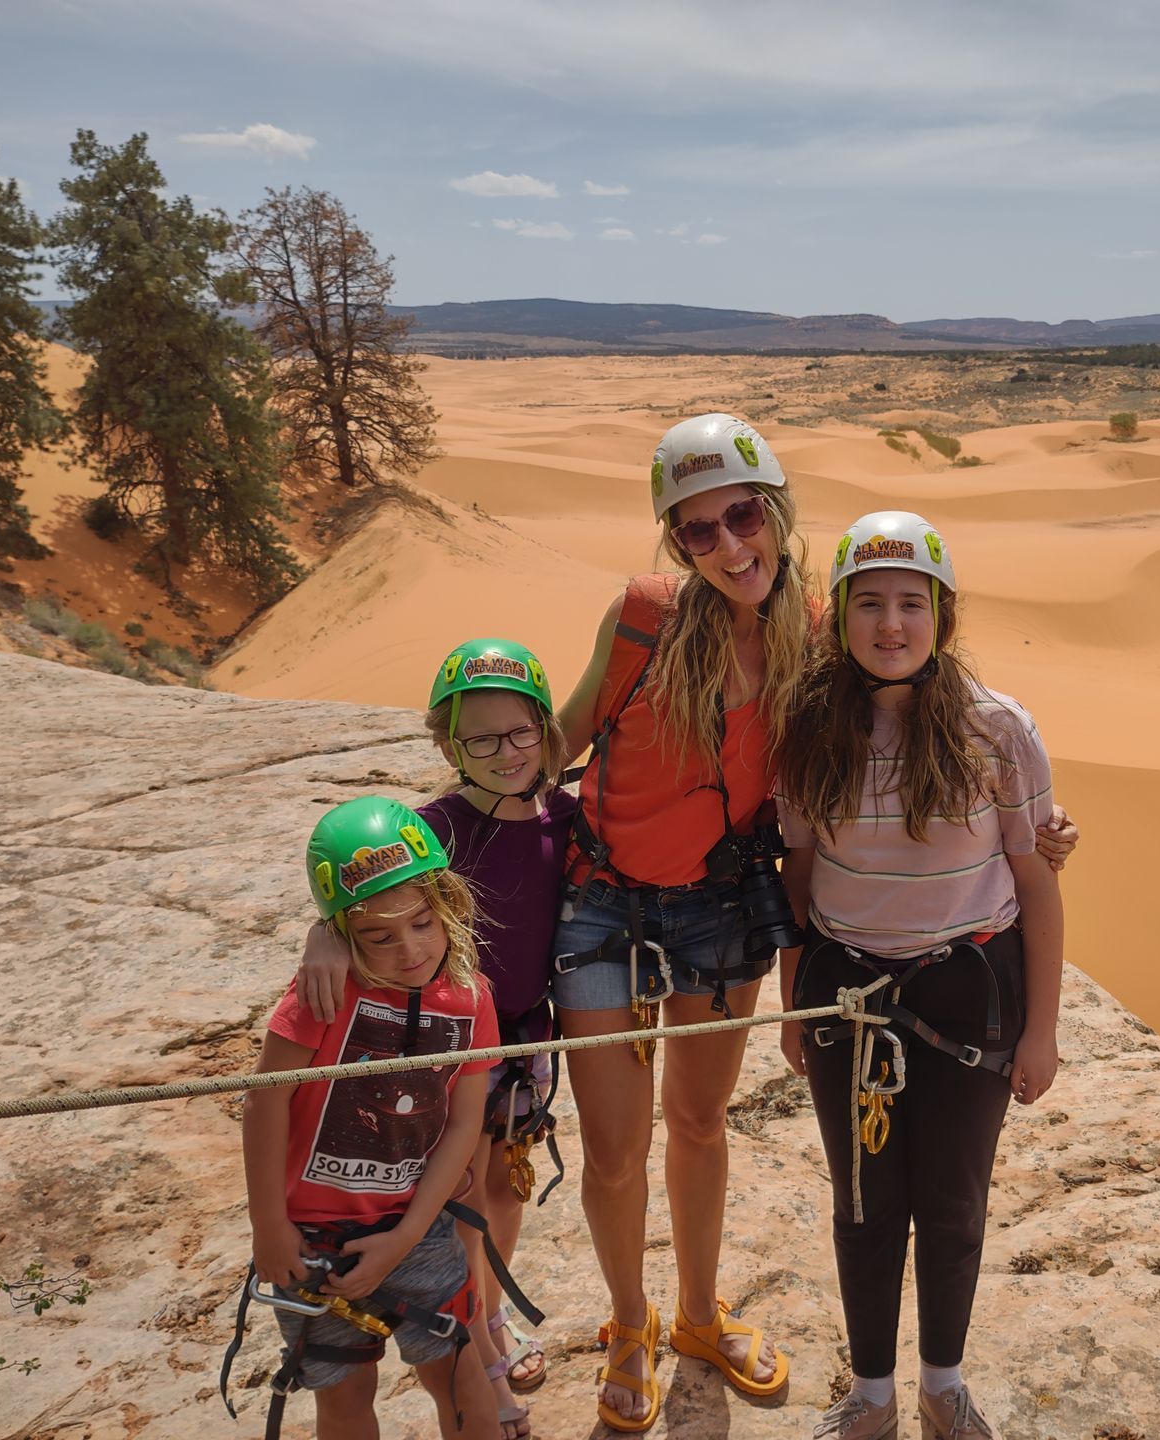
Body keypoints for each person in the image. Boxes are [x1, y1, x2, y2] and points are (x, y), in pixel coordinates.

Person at [553, 416, 1077, 1433]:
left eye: (743, 515)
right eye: (697, 531)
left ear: (778, 510)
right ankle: (631, 1324)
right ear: (675, 545)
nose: (729, 545)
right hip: (611, 899)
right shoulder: (647, 616)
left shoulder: (818, 628)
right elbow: (562, 745)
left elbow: (940, 775)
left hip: (720, 909)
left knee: (701, 1122)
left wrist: (1040, 829)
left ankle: (705, 1319)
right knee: (618, 1150)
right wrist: (442, 850)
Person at [775, 511, 1064, 1440]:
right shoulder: (807, 727)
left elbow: (1034, 881)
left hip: (967, 989)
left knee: (952, 1201)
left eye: (910, 603)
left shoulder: (997, 727)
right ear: (838, 618)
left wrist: (1041, 1028)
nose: (889, 624)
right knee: (862, 1204)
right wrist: (793, 1007)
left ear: (941, 614)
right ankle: (871, 1398)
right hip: (845, 993)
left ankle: (942, 1385)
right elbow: (797, 877)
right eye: (868, 603)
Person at [301, 640, 574, 1440]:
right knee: (460, 1195)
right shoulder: (430, 827)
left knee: (505, 1190)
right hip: (450, 1049)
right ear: (447, 747)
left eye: (520, 733)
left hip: (526, 1039)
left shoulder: (566, 816)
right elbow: (363, 893)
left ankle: (490, 1310)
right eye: (479, 740)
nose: (504, 753)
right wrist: (323, 933)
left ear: (545, 733)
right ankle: (481, 1345)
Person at [242, 796, 500, 1440]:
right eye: (379, 936)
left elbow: (465, 1125)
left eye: (422, 923)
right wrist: (269, 1226)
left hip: (416, 1227)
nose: (409, 949)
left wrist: (407, 1237)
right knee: (345, 1393)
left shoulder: (470, 998)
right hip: (310, 1239)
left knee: (461, 1374)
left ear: (448, 908)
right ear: (343, 936)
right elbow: (264, 1099)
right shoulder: (321, 995)